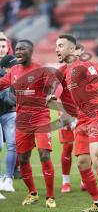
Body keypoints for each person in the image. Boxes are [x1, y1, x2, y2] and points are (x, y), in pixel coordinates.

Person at [55, 34, 98, 212]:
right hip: (81, 120)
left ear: (71, 49)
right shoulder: (65, 70)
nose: (56, 49)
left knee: (97, 161)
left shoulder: (85, 65)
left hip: (96, 116)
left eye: (60, 45)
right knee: (83, 163)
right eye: (56, 45)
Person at [0, 40, 61, 208]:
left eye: (22, 49)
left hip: (41, 118)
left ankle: (50, 197)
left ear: (31, 50)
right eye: (17, 49)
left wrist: (53, 94)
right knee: (23, 158)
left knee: (44, 154)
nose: (18, 51)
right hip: (22, 120)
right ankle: (32, 193)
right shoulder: (13, 71)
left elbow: (55, 83)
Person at [58, 43, 86, 193]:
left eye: (80, 54)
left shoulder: (86, 70)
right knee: (68, 147)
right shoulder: (61, 71)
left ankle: (85, 180)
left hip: (83, 114)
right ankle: (65, 182)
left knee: (84, 149)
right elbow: (55, 92)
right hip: (67, 114)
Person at [0, 55, 17, 193]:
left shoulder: (17, 74)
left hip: (9, 113)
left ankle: (9, 179)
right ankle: (0, 180)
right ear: (4, 68)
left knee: (12, 144)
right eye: (12, 66)